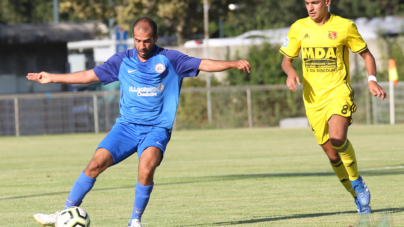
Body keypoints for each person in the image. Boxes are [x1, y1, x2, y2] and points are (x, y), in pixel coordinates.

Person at [28, 17, 251, 227]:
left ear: (155, 39)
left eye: (146, 41)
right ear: (133, 38)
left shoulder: (171, 59)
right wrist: (53, 77)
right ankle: (64, 213)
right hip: (125, 127)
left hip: (156, 129)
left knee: (146, 168)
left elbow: (204, 63)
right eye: (137, 40)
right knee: (95, 164)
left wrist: (233, 63)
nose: (141, 45)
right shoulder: (122, 60)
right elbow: (90, 75)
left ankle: (135, 220)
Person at [280, 0, 386, 214]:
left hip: (339, 92)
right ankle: (356, 196)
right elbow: (286, 60)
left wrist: (372, 79)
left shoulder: (345, 26)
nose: (310, 8)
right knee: (332, 154)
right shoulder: (299, 27)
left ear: (327, 2)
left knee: (337, 138)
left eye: (315, 3)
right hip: (312, 100)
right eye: (307, 3)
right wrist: (290, 72)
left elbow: (366, 54)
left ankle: (357, 180)